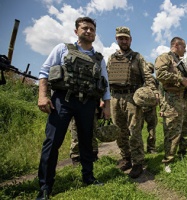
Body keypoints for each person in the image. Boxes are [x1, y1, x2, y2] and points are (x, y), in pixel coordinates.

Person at [36, 17, 111, 200]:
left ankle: (88, 177)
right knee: (52, 142)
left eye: (92, 29)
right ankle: (45, 186)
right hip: (63, 100)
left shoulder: (99, 58)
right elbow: (44, 72)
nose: (88, 31)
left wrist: (107, 106)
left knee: (86, 142)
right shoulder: (62, 49)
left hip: (88, 103)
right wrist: (43, 95)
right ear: (76, 31)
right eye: (84, 28)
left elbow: (105, 84)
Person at [107, 26, 158, 178]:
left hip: (132, 98)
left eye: (126, 38)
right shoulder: (111, 58)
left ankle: (138, 163)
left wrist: (154, 92)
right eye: (120, 38)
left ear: (130, 40)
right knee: (119, 131)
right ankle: (126, 158)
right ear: (117, 39)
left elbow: (148, 77)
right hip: (115, 98)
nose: (123, 40)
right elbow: (106, 79)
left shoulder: (137, 57)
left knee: (134, 131)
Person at [155, 36, 187, 173]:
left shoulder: (179, 62)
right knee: (172, 131)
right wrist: (180, 78)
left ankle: (184, 156)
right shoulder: (165, 57)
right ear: (176, 45)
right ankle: (168, 161)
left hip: (183, 100)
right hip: (171, 100)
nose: (186, 50)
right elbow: (160, 74)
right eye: (184, 47)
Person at [69, 101, 104, 165]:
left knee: (93, 131)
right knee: (75, 132)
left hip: (91, 103)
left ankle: (94, 154)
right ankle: (76, 157)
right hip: (74, 103)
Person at [141, 62, 158, 154]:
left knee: (137, 128)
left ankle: (139, 149)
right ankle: (151, 148)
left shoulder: (138, 78)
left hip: (142, 107)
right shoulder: (153, 79)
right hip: (149, 107)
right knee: (151, 127)